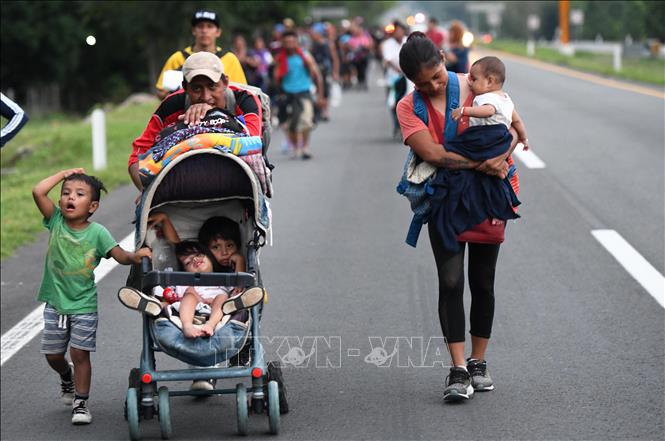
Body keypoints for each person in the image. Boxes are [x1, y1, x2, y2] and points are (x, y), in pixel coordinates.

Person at [396, 33, 521, 403]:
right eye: (423, 83)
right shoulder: (408, 107)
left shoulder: (476, 83)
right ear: (411, 82)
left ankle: (478, 361)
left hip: (489, 196)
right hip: (446, 199)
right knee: (450, 281)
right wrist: (481, 163)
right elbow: (432, 153)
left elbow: (512, 125)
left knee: (483, 281)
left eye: (437, 75)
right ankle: (457, 368)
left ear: (442, 58)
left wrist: (504, 155)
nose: (433, 85)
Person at [32, 169, 152, 425]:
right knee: (54, 355)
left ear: (93, 206)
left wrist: (134, 256)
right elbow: (38, 191)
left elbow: (118, 254)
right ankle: (67, 377)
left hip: (83, 304)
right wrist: (64, 174)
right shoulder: (55, 221)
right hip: (55, 303)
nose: (69, 198)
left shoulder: (97, 233)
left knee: (80, 353)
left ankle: (81, 403)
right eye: (65, 193)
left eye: (78, 194)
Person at [129, 51, 262, 191]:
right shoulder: (171, 105)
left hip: (236, 180)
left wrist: (211, 115)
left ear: (225, 83)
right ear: (185, 87)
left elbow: (253, 145)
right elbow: (138, 154)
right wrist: (146, 192)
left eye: (212, 86)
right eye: (196, 88)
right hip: (184, 186)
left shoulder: (245, 100)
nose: (205, 96)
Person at [155, 10, 247, 99]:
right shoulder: (178, 58)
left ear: (218, 32)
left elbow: (242, 92)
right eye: (200, 26)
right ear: (193, 30)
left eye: (209, 26)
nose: (204, 30)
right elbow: (161, 93)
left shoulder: (230, 59)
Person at [274, 29, 324, 160]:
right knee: (290, 124)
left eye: (292, 41)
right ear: (283, 43)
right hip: (287, 94)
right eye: (287, 42)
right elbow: (276, 78)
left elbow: (317, 75)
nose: (290, 44)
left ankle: (305, 147)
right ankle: (296, 147)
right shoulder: (280, 58)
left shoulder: (305, 56)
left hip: (304, 92)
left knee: (306, 121)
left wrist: (320, 95)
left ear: (297, 42)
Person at [381, 20, 410, 138]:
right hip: (393, 78)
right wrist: (398, 70)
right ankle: (397, 126)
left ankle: (405, 127)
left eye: (400, 30)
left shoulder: (408, 41)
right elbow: (387, 60)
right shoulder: (388, 44)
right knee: (393, 103)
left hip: (408, 77)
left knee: (407, 102)